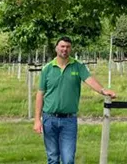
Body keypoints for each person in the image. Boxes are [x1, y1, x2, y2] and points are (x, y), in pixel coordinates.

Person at [33, 36, 116, 164]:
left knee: (68, 159)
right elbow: (40, 94)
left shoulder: (77, 66)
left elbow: (89, 80)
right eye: (62, 46)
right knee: (53, 158)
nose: (65, 49)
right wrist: (37, 120)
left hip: (69, 121)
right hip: (49, 119)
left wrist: (103, 90)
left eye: (68, 47)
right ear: (56, 48)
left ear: (70, 49)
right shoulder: (47, 69)